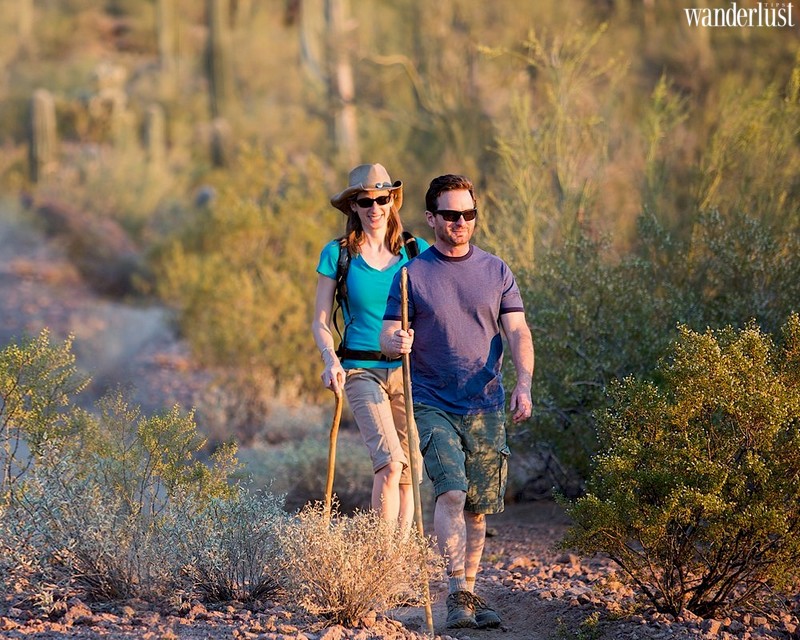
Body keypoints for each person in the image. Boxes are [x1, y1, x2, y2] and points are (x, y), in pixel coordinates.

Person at [380, 174, 534, 629]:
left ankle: (467, 589)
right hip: (432, 402)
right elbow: (388, 334)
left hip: (485, 402)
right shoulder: (411, 276)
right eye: (450, 214)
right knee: (451, 490)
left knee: (478, 507)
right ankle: (453, 591)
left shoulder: (497, 270)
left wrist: (523, 382)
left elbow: (518, 330)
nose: (461, 222)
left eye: (468, 214)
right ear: (431, 218)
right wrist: (397, 341)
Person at [312, 163, 429, 532]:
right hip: (361, 370)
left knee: (410, 469)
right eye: (365, 201)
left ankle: (398, 559)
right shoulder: (338, 254)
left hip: (409, 372)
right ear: (353, 207)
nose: (374, 208)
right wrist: (330, 360)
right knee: (390, 463)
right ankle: (382, 555)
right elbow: (319, 321)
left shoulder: (417, 251)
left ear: (392, 201)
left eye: (382, 199)